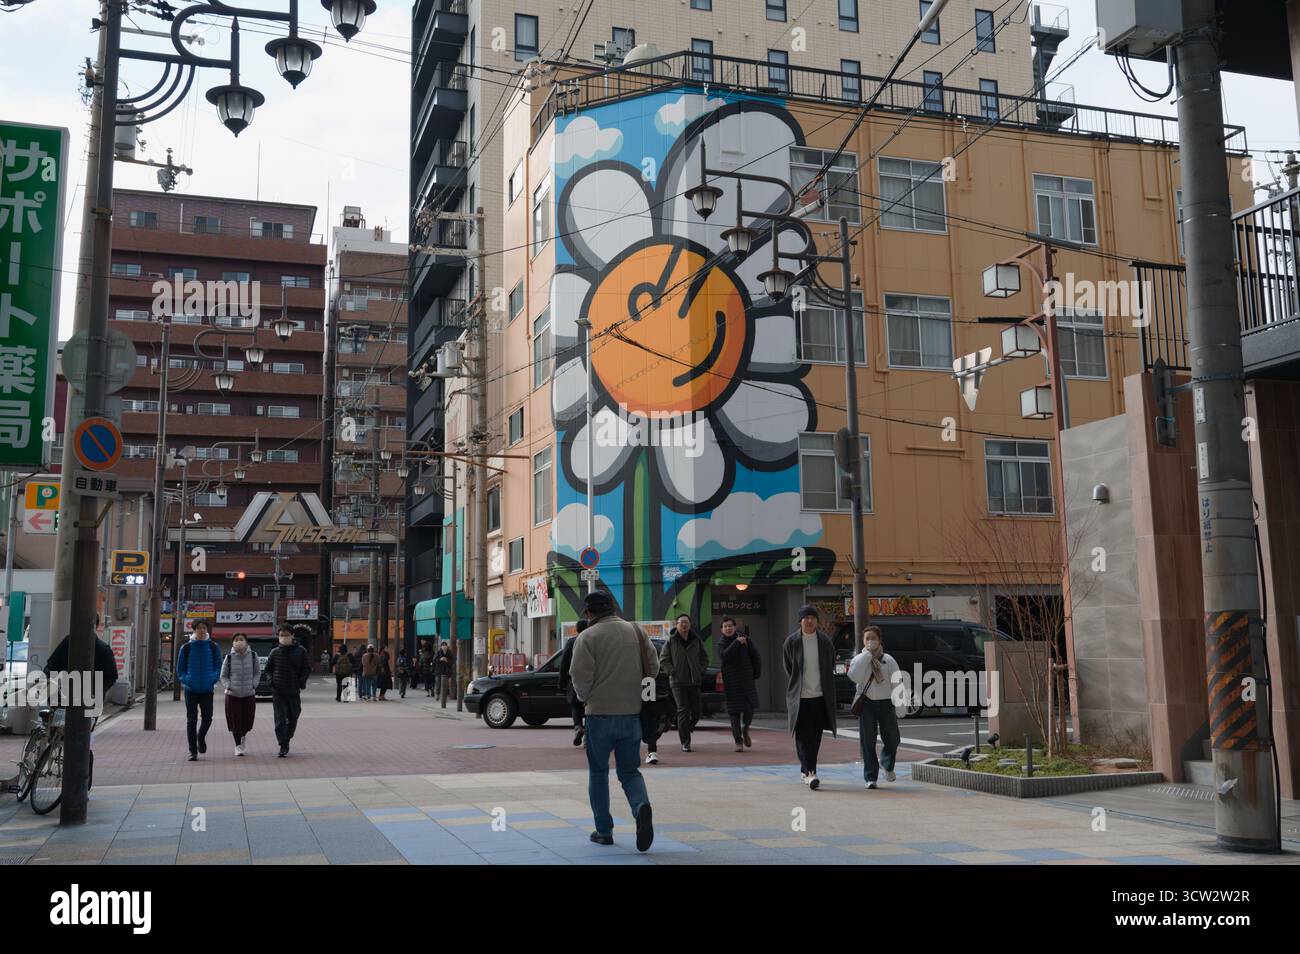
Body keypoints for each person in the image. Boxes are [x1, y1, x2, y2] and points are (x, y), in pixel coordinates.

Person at [568, 591, 656, 852]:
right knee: (629, 770)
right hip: (632, 714)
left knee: (598, 772)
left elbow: (579, 676)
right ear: (613, 608)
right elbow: (653, 666)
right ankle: (641, 807)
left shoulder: (587, 637)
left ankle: (604, 830)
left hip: (600, 714)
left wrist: (587, 698)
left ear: (589, 613)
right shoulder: (636, 631)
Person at [782, 605, 838, 790]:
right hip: (801, 697)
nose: (810, 620)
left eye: (813, 617)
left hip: (820, 696)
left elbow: (829, 665)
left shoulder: (825, 641)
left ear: (817, 621)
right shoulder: (792, 642)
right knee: (802, 736)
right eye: (806, 617)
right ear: (800, 621)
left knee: (815, 736)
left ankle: (806, 769)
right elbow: (789, 668)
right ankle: (810, 773)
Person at [849, 625, 903, 790]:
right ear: (863, 641)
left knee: (893, 738)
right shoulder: (859, 659)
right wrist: (866, 656)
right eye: (867, 638)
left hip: (886, 702)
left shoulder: (888, 659)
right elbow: (854, 676)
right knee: (868, 741)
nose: (870, 641)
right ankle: (871, 777)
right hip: (867, 703)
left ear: (880, 640)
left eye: (873, 638)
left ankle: (887, 764)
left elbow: (897, 681)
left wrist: (900, 704)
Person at [658, 614, 709, 752]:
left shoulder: (696, 640)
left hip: (694, 681)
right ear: (677, 625)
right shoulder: (671, 641)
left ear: (690, 624)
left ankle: (687, 728)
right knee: (683, 711)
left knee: (697, 711)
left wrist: (700, 670)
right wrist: (672, 672)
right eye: (681, 623)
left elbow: (704, 657)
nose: (684, 625)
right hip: (677, 682)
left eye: (686, 622)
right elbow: (663, 659)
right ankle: (685, 742)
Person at [176, 620, 222, 761]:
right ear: (194, 630)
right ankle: (193, 751)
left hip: (207, 689)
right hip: (191, 689)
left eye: (204, 628)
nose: (202, 630)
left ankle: (200, 737)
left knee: (207, 718)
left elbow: (218, 666)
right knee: (192, 720)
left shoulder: (214, 647)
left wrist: (212, 679)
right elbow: (180, 669)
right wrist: (187, 680)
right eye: (199, 628)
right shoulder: (186, 648)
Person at [264, 625, 310, 757]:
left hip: (293, 690)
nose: (283, 637)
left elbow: (307, 668)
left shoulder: (301, 651)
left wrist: (301, 682)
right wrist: (271, 681)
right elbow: (268, 670)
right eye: (281, 635)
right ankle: (283, 744)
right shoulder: (275, 652)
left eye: (286, 634)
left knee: (294, 716)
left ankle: (288, 737)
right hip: (278, 690)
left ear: (292, 635)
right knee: (280, 718)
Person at [717, 617, 761, 752]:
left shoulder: (746, 640)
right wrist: (736, 643)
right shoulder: (721, 643)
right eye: (725, 626)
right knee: (734, 713)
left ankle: (745, 728)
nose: (728, 628)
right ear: (722, 629)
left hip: (747, 680)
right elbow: (725, 656)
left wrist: (756, 673)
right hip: (731, 682)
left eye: (730, 626)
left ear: (735, 627)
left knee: (750, 708)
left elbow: (755, 656)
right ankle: (738, 741)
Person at [220, 633, 262, 756]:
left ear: (246, 642)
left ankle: (243, 736)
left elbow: (257, 673)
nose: (239, 642)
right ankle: (238, 745)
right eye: (236, 640)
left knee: (247, 720)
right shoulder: (229, 658)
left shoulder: (253, 656)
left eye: (241, 639)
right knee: (235, 721)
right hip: (233, 695)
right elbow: (223, 676)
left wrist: (254, 684)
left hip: (249, 694)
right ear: (233, 643)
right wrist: (228, 685)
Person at [556, 619, 589, 746]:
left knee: (575, 705)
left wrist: (562, 683)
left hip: (574, 679)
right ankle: (588, 738)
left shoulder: (571, 642)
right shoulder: (592, 641)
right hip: (591, 679)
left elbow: (563, 664)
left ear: (577, 629)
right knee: (589, 708)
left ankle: (578, 727)